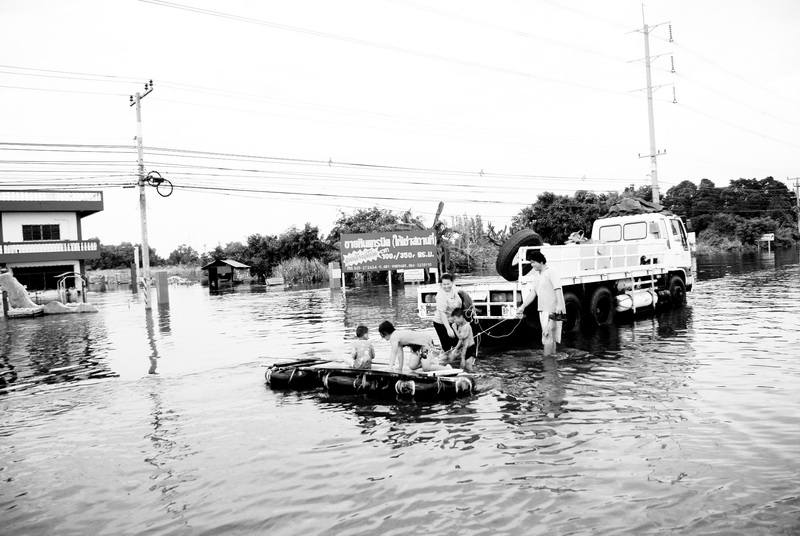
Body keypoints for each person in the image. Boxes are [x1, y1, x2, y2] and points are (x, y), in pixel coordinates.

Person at [519, 250, 566, 356]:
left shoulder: (551, 271)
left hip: (553, 309)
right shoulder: (537, 276)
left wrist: (559, 305)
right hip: (543, 310)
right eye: (530, 263)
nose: (532, 265)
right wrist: (522, 306)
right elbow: (533, 293)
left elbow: (557, 288)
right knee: (549, 336)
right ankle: (552, 359)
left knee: (547, 335)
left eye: (533, 262)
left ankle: (547, 361)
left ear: (541, 262)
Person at [378, 321, 451, 373]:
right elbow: (399, 353)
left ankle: (446, 368)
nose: (383, 338)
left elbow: (393, 353)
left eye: (382, 335)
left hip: (424, 345)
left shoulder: (394, 337)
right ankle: (427, 361)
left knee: (426, 368)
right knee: (412, 366)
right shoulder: (396, 336)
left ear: (385, 333)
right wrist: (400, 367)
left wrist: (389, 368)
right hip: (416, 347)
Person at [433, 273, 461, 352]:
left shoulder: (454, 289)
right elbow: (442, 313)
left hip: (452, 321)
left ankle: (454, 362)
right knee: (447, 348)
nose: (446, 286)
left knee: (457, 344)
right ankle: (443, 361)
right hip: (441, 323)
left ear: (452, 282)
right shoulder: (441, 296)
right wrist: (448, 328)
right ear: (441, 284)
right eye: (444, 284)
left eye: (448, 284)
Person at [449, 307, 476, 372]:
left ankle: (473, 376)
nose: (454, 321)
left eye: (455, 319)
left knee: (468, 365)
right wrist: (456, 349)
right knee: (462, 366)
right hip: (464, 348)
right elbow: (460, 340)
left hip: (470, 348)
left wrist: (454, 329)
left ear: (461, 317)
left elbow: (460, 337)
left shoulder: (467, 326)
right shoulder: (461, 326)